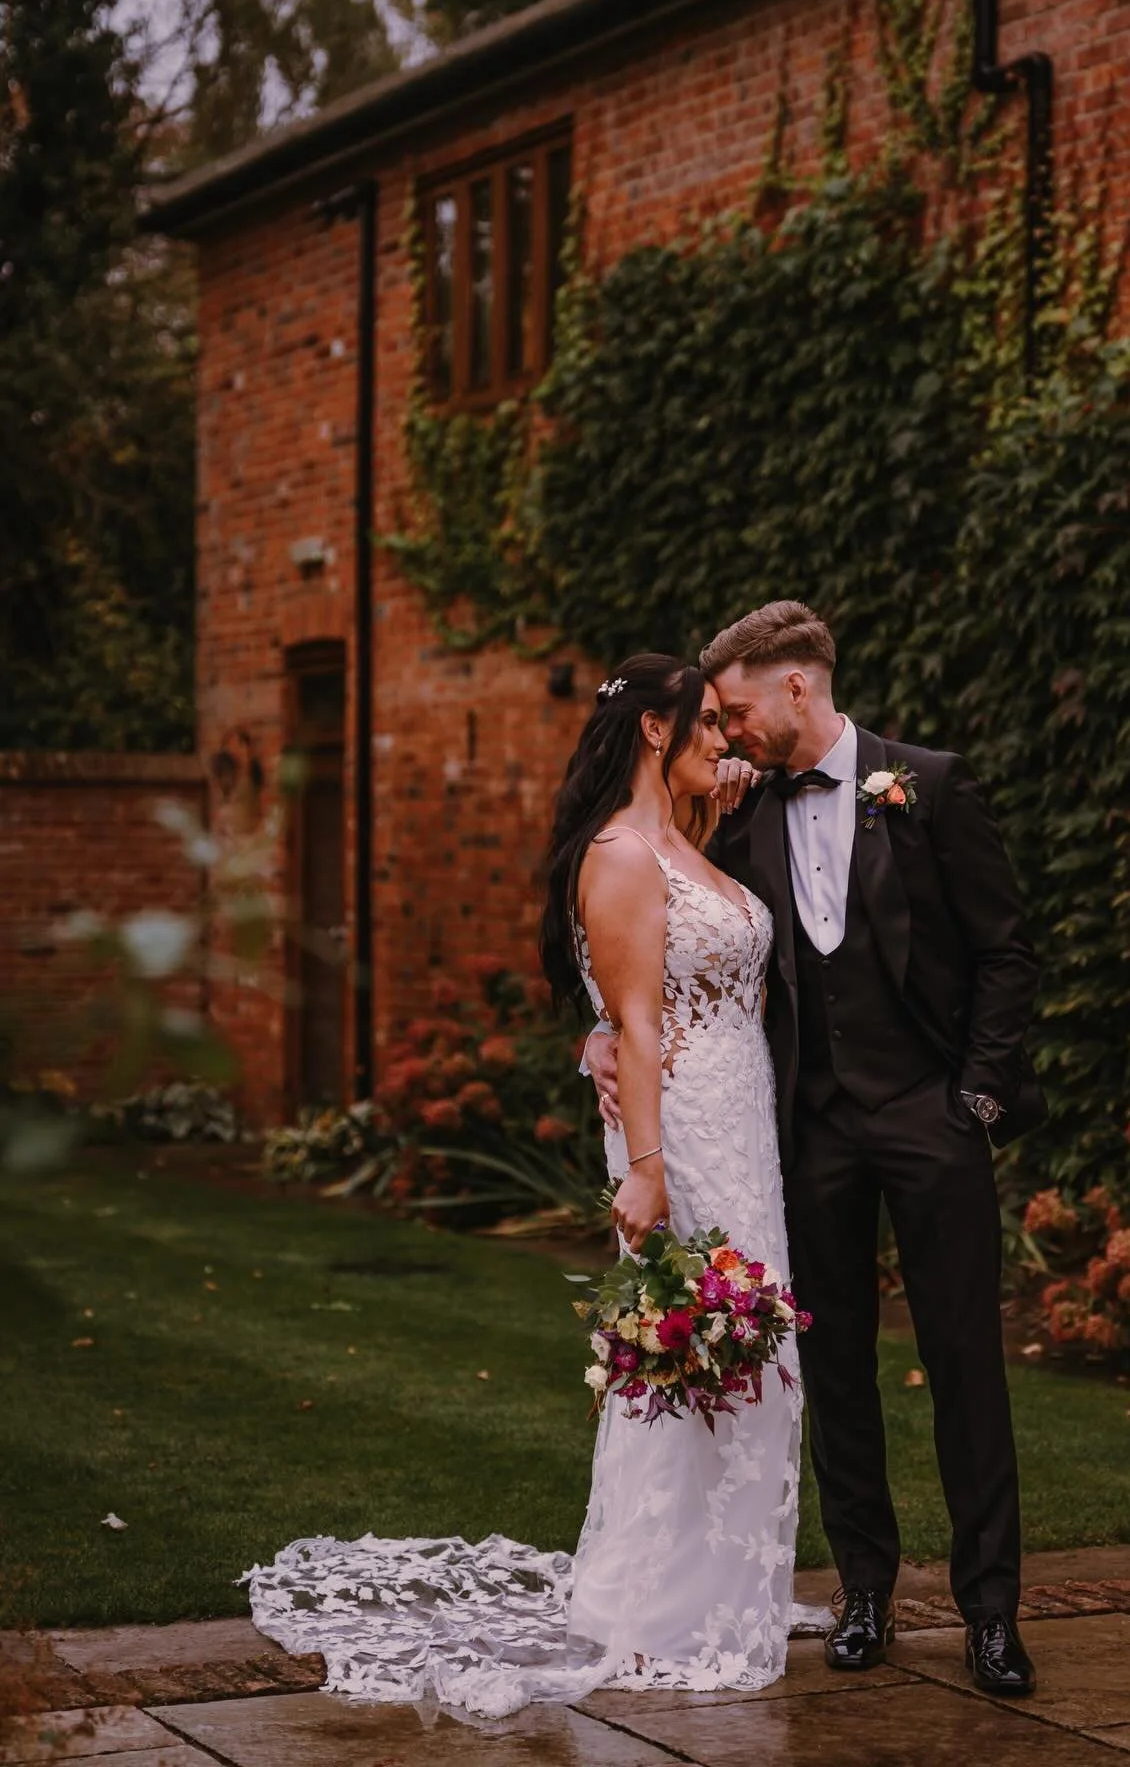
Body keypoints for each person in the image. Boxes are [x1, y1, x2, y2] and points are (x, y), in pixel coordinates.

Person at [240, 654, 805, 1722]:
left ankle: (727, 1593)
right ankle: (660, 1609)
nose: (727, 746)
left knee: (752, 1354)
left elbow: (693, 969)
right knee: (696, 1353)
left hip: (742, 1129)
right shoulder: (623, 853)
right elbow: (636, 1020)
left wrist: (718, 825)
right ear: (653, 730)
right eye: (709, 728)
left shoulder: (684, 841)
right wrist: (644, 1172)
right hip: (678, 1133)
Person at [589, 601, 1046, 1696]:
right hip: (808, 1134)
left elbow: (1006, 952)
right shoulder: (735, 811)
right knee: (833, 1367)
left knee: (966, 1367)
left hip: (930, 1121)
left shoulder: (926, 786)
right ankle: (866, 1594)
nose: (727, 733)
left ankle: (992, 1615)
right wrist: (599, 1026)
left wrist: (975, 1099)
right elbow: (635, 921)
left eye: (736, 709)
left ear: (798, 685)